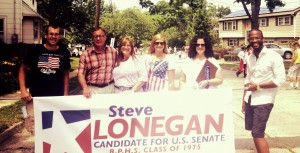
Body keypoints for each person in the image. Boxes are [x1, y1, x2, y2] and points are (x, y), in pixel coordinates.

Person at [18, 24, 71, 133]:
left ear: (59, 36)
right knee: (35, 131)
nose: (53, 36)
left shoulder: (64, 52)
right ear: (46, 35)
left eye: (56, 34)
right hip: (36, 98)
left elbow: (66, 74)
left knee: (54, 131)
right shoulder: (35, 50)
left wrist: (65, 95)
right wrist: (23, 90)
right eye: (51, 34)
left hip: (56, 99)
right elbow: (22, 69)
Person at [242, 29, 286, 153]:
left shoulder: (273, 56)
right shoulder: (250, 57)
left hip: (264, 100)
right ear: (249, 40)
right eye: (251, 38)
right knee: (254, 132)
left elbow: (280, 80)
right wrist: (243, 99)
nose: (254, 41)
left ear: (263, 39)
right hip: (250, 98)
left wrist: (257, 86)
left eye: (257, 38)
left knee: (258, 133)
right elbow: (248, 78)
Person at [77, 27, 117, 98]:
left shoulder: (113, 52)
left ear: (105, 37)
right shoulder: (85, 54)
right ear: (93, 38)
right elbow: (80, 74)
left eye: (101, 36)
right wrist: (85, 87)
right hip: (92, 90)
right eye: (96, 36)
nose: (98, 38)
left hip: (109, 89)